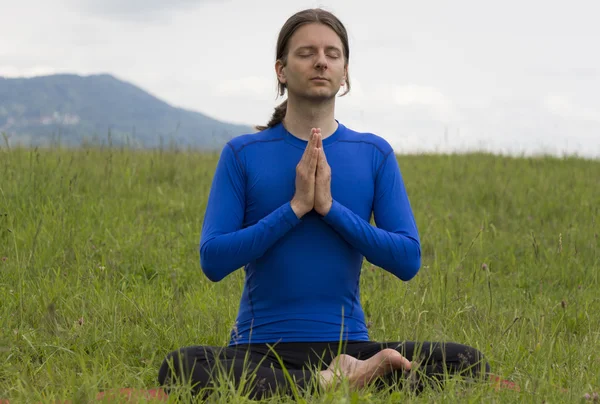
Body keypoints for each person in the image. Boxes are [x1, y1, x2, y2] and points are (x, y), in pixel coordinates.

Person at [158, 7, 490, 400]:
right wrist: (295, 208)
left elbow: (407, 260)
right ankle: (337, 383)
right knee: (180, 366)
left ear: (345, 71)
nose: (321, 61)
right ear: (281, 70)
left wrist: (332, 210)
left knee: (467, 361)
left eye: (332, 54)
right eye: (306, 53)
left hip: (350, 346)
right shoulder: (242, 154)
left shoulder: (373, 153)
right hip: (259, 349)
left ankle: (341, 376)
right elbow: (213, 260)